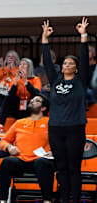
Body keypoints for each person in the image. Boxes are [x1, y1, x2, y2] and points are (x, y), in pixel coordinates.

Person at [42, 18, 89, 203]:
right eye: (65, 63)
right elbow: (47, 63)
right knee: (61, 167)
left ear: (76, 69)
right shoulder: (55, 81)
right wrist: (45, 39)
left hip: (75, 128)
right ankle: (63, 199)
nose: (66, 65)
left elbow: (84, 60)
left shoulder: (80, 81)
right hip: (55, 129)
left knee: (73, 168)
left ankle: (75, 199)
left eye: (70, 63)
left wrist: (83, 36)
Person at [0, 95, 55, 203]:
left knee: (42, 163)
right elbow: (3, 141)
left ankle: (47, 200)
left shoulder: (50, 123)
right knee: (6, 162)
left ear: (43, 108)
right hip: (22, 160)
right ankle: (3, 200)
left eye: (36, 101)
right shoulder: (19, 122)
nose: (32, 101)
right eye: (32, 100)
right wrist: (9, 147)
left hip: (41, 159)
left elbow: (60, 141)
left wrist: (54, 151)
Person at [0, 58, 42, 134]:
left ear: (29, 67)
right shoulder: (14, 79)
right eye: (20, 64)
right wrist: (16, 83)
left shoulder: (36, 79)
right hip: (17, 107)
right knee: (8, 98)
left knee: (37, 100)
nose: (21, 66)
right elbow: (10, 94)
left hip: (29, 107)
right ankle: (0, 126)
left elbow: (36, 94)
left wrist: (26, 81)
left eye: (24, 64)